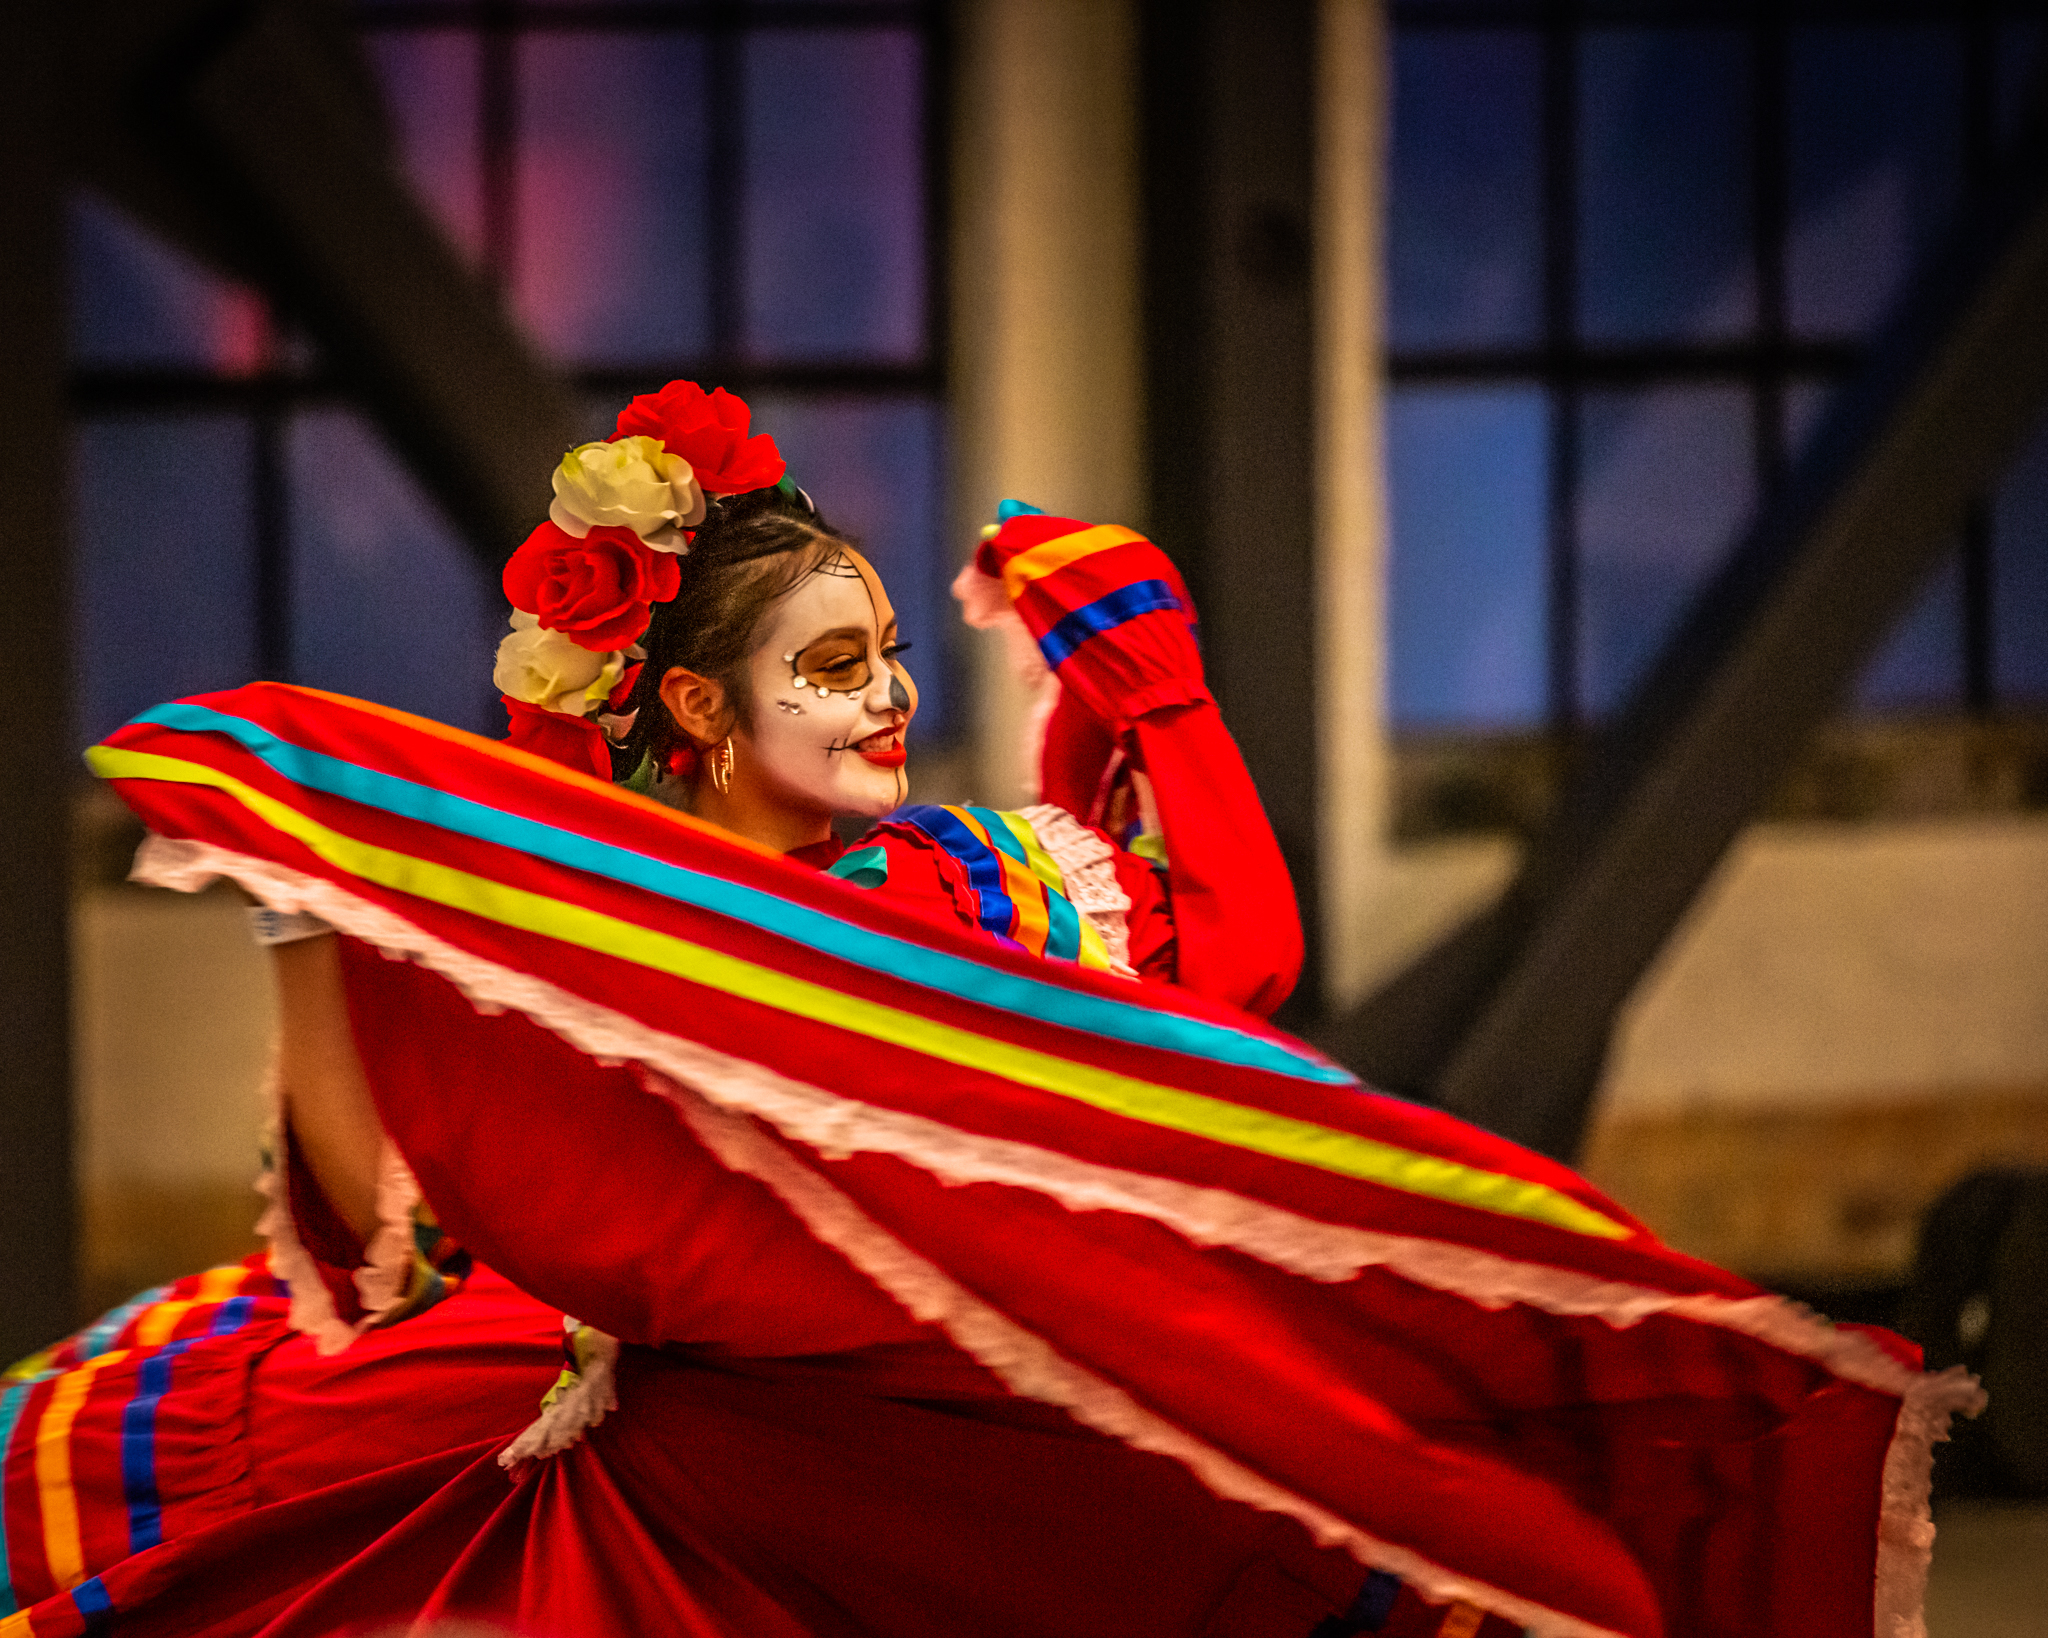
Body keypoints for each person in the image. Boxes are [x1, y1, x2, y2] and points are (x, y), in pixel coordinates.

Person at [6, 382, 1976, 1638]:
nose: (884, 702)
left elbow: (1240, 962)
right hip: (695, 1423)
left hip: (940, 1420)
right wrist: (308, 922)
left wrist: (1154, 682)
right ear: (693, 709)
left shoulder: (963, 887)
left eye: (883, 657)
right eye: (837, 666)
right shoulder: (616, 939)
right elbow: (387, 1239)